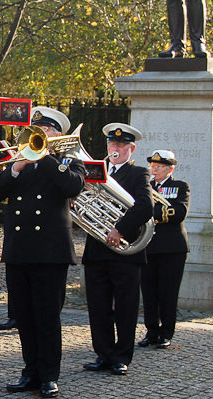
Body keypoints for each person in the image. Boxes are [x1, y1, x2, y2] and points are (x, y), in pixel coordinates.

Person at [0, 107, 86, 398]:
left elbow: (73, 185)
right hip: (19, 250)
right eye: (37, 131)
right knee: (25, 316)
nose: (40, 136)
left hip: (51, 252)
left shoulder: (69, 160)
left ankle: (49, 375)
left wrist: (47, 158)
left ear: (58, 134)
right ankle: (30, 371)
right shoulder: (20, 163)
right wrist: (15, 168)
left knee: (47, 316)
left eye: (47, 131)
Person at [83, 123, 153, 376]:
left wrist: (119, 229)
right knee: (98, 306)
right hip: (96, 249)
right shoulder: (95, 171)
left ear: (131, 149)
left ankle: (122, 356)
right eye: (112, 144)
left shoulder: (139, 174)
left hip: (125, 251)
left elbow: (145, 207)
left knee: (125, 307)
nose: (116, 148)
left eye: (122, 145)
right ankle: (103, 354)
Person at [139, 150, 190, 349]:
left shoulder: (180, 186)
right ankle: (151, 331)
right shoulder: (146, 187)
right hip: (148, 246)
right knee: (149, 292)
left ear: (170, 168)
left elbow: (179, 212)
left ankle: (166, 332)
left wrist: (148, 212)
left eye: (159, 167)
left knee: (168, 293)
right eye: (153, 166)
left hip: (172, 248)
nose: (154, 170)